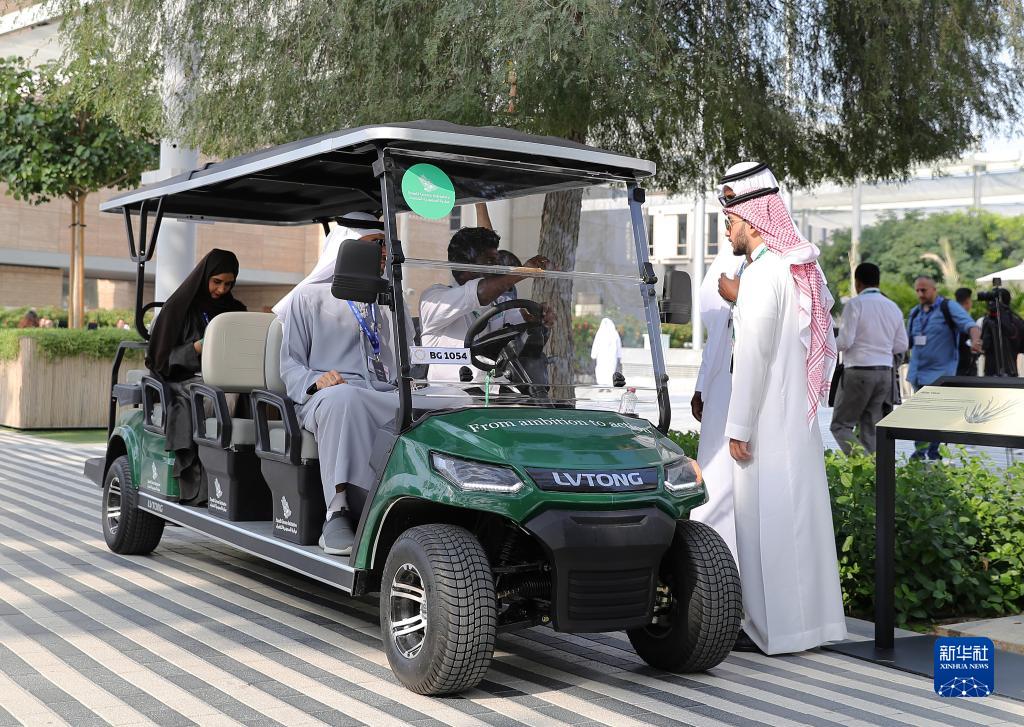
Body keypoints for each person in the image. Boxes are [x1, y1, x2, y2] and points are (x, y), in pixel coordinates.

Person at [722, 181, 847, 655]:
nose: (728, 230)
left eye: (732, 221)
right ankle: (805, 628)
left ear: (755, 223)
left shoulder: (762, 274)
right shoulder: (792, 269)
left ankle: (766, 630)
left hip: (767, 420)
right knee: (800, 523)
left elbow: (752, 354)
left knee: (764, 525)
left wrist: (738, 426)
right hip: (795, 418)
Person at [278, 219, 407, 556]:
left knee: (429, 403)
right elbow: (290, 365)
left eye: (386, 244)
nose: (384, 252)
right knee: (345, 399)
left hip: (383, 392)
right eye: (375, 244)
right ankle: (338, 510)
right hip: (327, 395)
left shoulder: (390, 299)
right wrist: (316, 381)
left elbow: (410, 359)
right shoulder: (308, 297)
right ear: (346, 249)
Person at [689, 161, 773, 566]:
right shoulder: (730, 259)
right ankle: (713, 579)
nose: (727, 220)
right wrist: (702, 385)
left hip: (757, 402)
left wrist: (742, 296)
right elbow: (718, 335)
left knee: (750, 499)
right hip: (723, 395)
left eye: (733, 208)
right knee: (716, 487)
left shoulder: (784, 264)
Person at [146, 249, 247, 503]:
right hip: (184, 380)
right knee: (222, 395)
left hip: (228, 377)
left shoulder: (235, 311)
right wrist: (197, 348)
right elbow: (162, 361)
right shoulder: (179, 309)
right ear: (204, 277)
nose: (222, 290)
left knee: (252, 395)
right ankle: (209, 474)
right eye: (217, 282)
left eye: (229, 284)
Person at [418, 224, 551, 383]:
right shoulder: (434, 299)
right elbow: (480, 292)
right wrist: (523, 272)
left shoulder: (498, 303)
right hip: (448, 395)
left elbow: (521, 319)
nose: (497, 268)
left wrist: (539, 316)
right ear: (465, 265)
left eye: (497, 261)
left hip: (493, 393)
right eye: (490, 261)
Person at [829, 263, 909, 454]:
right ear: (878, 282)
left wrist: (827, 344)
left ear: (857, 283)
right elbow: (902, 345)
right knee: (870, 428)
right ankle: (874, 470)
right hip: (884, 373)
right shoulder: (892, 307)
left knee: (840, 426)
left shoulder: (855, 304)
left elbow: (845, 341)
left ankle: (863, 461)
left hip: (859, 371)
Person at [906, 276, 981, 460]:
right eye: (917, 290)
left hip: (939, 374)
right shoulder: (915, 313)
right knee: (919, 417)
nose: (920, 294)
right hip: (917, 374)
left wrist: (975, 340)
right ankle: (923, 453)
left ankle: (930, 454)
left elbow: (971, 325)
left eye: (924, 290)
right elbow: (907, 341)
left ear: (934, 289)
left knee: (934, 416)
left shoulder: (948, 307)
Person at [981, 288, 1021, 377]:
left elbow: (984, 345)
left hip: (992, 373)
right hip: (1011, 372)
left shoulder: (990, 321)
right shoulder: (1015, 320)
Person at [590, 318, 621, 389]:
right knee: (601, 369)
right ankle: (601, 383)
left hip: (611, 356)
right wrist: (594, 355)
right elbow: (596, 344)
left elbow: (618, 345)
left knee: (610, 369)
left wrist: (619, 355)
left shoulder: (614, 333)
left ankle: (608, 384)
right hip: (602, 356)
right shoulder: (600, 333)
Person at [954, 287, 977, 376]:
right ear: (968, 301)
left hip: (952, 364)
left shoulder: (951, 316)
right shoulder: (966, 321)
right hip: (964, 366)